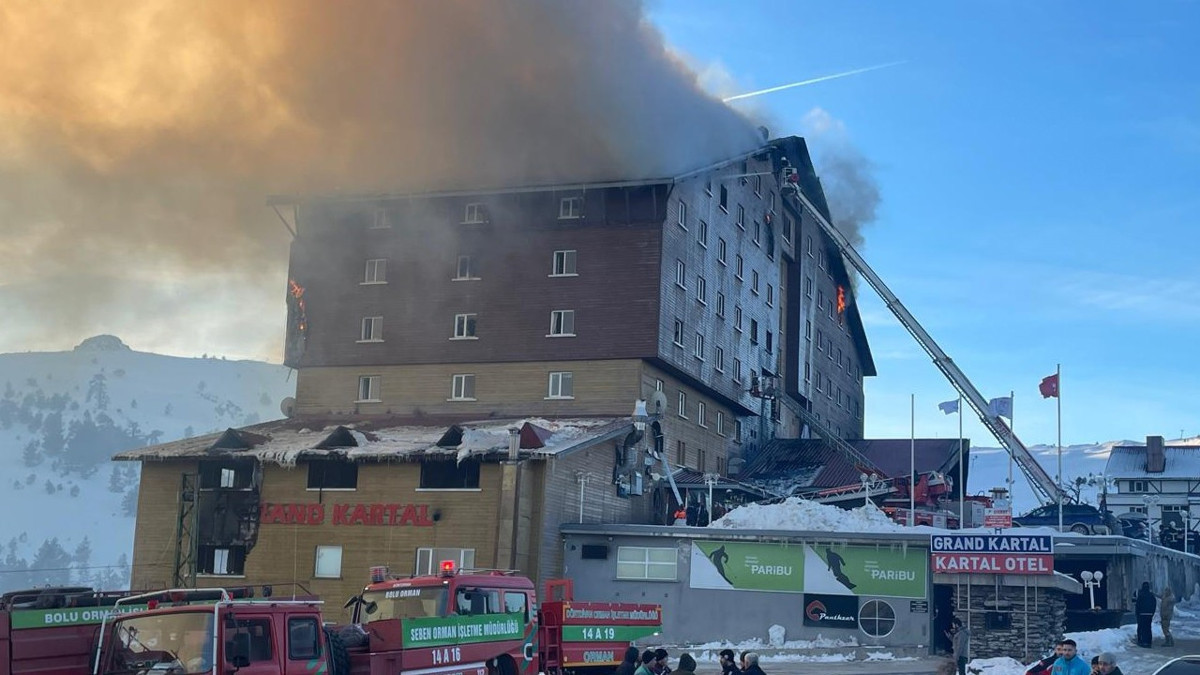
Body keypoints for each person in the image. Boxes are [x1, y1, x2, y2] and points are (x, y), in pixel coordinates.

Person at [1135, 581, 1157, 647]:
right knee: (1148, 628)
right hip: (1149, 614)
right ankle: (1149, 642)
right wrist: (1152, 613)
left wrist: (1137, 613)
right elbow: (1154, 605)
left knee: (1142, 628)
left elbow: (1137, 605)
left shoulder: (1141, 595)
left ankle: (1143, 642)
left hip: (1142, 614)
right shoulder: (1151, 595)